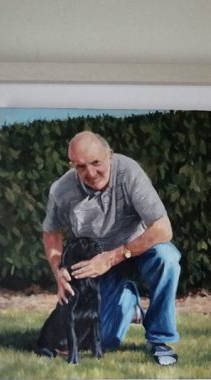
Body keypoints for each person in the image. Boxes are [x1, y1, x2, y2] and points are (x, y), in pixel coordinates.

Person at [42, 131, 182, 365]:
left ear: (110, 155)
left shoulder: (128, 172)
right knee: (105, 340)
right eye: (81, 167)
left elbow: (163, 229)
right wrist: (58, 270)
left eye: (96, 162)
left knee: (167, 258)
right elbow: (51, 232)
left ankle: (159, 339)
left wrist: (115, 256)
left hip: (138, 249)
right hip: (98, 265)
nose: (91, 173)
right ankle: (130, 305)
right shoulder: (61, 189)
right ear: (72, 165)